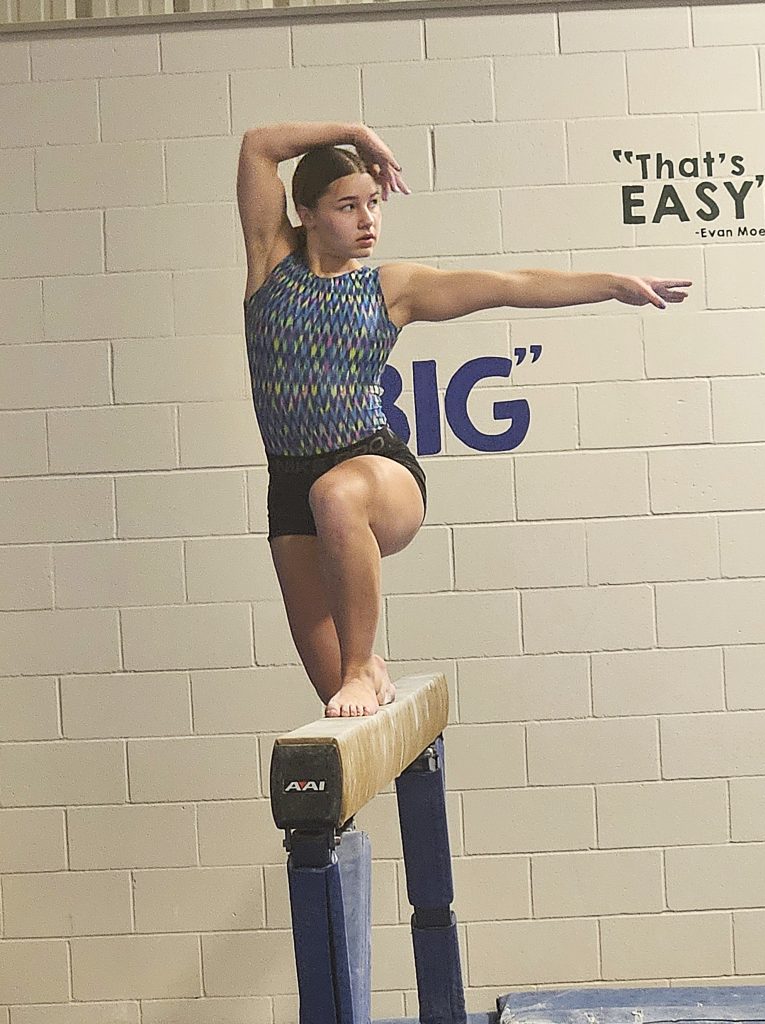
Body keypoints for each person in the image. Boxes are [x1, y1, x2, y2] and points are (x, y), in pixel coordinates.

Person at [237, 120, 692, 719]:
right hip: (289, 483)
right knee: (342, 710)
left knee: (337, 493)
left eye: (373, 203)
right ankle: (362, 674)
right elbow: (258, 147)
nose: (368, 219)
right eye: (348, 207)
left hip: (374, 470)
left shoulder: (388, 289)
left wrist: (608, 284)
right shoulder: (270, 265)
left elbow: (508, 285)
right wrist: (356, 133)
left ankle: (357, 664)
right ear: (306, 213)